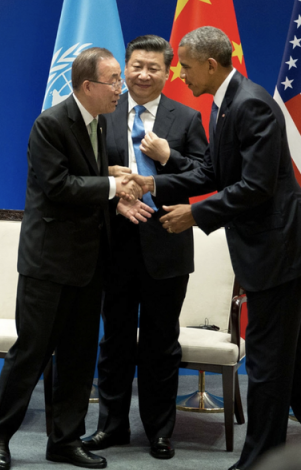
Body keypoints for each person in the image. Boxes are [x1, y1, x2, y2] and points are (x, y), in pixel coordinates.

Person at [151, 26, 301, 470]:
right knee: (291, 352)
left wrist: (195, 215)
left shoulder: (251, 102)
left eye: (184, 66)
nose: (179, 75)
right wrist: (155, 183)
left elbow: (256, 187)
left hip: (278, 248)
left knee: (266, 363)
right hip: (265, 248)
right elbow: (214, 174)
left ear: (210, 64)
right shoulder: (225, 105)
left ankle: (259, 460)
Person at [0, 47, 143, 470]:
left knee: (78, 355)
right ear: (88, 85)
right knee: (31, 353)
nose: (119, 89)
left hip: (89, 264)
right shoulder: (50, 124)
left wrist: (109, 176)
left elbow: (84, 174)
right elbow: (58, 186)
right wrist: (112, 188)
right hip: (49, 263)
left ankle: (65, 440)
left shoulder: (101, 122)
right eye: (114, 81)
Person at [82, 35, 207, 460]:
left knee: (160, 343)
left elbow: (207, 175)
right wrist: (116, 196)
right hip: (115, 244)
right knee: (114, 340)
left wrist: (169, 157)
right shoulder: (104, 113)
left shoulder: (186, 118)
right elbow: (89, 173)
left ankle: (159, 431)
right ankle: (111, 428)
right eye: (136, 66)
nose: (142, 74)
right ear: (126, 68)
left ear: (168, 72)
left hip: (167, 243)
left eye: (153, 67)